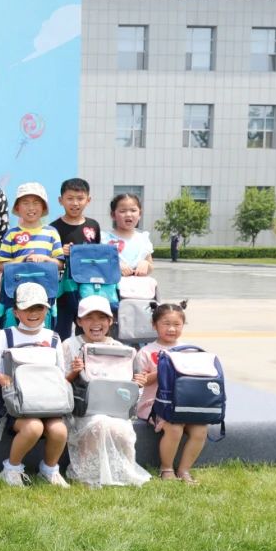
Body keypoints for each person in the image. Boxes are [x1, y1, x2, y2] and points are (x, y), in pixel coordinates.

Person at [0, 283, 70, 487]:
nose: (33, 313)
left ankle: (49, 469)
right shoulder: (5, 336)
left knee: (59, 430)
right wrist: (0, 378)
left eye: (39, 308)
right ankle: (12, 469)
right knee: (33, 427)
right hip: (14, 403)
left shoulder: (53, 338)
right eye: (27, 308)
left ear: (47, 310)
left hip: (47, 402)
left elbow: (60, 372)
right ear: (16, 312)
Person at [62, 296, 151, 487]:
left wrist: (137, 383)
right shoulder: (69, 345)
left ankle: (122, 472)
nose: (96, 323)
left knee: (120, 427)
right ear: (79, 321)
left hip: (115, 408)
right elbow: (60, 383)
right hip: (81, 409)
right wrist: (74, 372)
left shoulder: (121, 349)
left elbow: (129, 385)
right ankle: (87, 475)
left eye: (102, 318)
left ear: (111, 321)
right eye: (89, 318)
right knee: (99, 423)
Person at [134, 302, 206, 484]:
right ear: (154, 325)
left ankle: (184, 470)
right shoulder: (146, 352)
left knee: (200, 429)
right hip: (154, 404)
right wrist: (163, 370)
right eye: (166, 324)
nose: (171, 329)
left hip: (183, 403)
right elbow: (141, 382)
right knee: (174, 426)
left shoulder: (189, 350)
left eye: (176, 324)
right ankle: (166, 469)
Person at [51, 178, 104, 340]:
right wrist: (61, 252)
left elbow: (98, 255)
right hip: (63, 289)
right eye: (70, 198)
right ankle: (61, 354)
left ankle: (86, 354)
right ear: (60, 200)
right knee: (61, 330)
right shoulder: (53, 228)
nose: (75, 203)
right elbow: (51, 258)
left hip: (87, 286)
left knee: (86, 328)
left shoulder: (93, 225)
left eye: (80, 198)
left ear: (88, 200)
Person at [104, 192, 154, 277]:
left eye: (133, 210)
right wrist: (114, 264)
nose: (128, 214)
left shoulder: (143, 239)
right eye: (122, 211)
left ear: (140, 214)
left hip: (138, 284)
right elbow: (97, 263)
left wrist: (146, 264)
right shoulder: (104, 238)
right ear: (113, 215)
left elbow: (150, 265)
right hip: (113, 284)